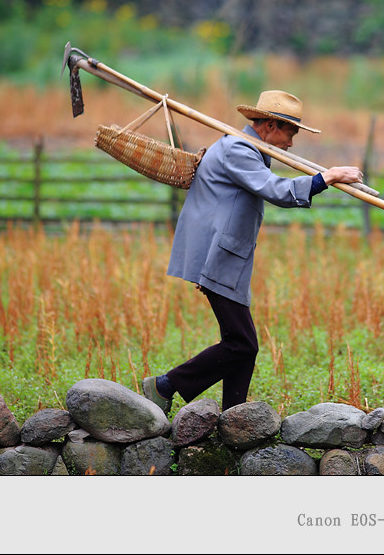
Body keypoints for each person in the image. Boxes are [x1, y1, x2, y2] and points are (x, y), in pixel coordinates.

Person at [141, 90, 364, 413]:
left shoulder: (249, 148)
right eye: (290, 132)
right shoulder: (238, 149)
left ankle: (234, 413)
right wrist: (327, 177)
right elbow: (277, 191)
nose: (291, 142)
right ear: (272, 125)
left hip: (229, 256)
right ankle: (165, 385)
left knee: (242, 342)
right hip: (217, 254)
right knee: (242, 344)